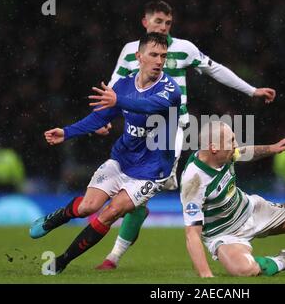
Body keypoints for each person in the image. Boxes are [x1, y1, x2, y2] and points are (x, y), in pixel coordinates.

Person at [96, 0, 282, 270]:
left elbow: (215, 69)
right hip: (135, 129)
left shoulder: (183, 48)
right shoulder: (131, 52)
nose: (163, 27)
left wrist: (251, 90)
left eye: (168, 23)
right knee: (137, 197)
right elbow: (113, 86)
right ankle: (119, 246)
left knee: (142, 192)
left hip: (168, 131)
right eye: (158, 21)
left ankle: (112, 258)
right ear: (145, 23)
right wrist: (104, 118)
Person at [29, 33, 181, 274]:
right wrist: (67, 133)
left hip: (152, 171)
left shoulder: (170, 89)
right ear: (138, 57)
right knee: (87, 207)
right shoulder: (122, 85)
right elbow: (100, 117)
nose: (159, 61)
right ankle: (56, 218)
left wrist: (118, 100)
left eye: (163, 56)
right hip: (122, 160)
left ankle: (62, 261)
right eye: (153, 55)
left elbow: (148, 105)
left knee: (110, 212)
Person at [180, 121, 285, 277]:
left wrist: (273, 148)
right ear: (214, 147)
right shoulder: (193, 181)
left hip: (251, 209)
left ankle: (274, 214)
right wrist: (206, 275)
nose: (236, 145)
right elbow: (192, 234)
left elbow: (244, 152)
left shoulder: (225, 154)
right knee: (245, 270)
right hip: (224, 234)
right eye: (231, 141)